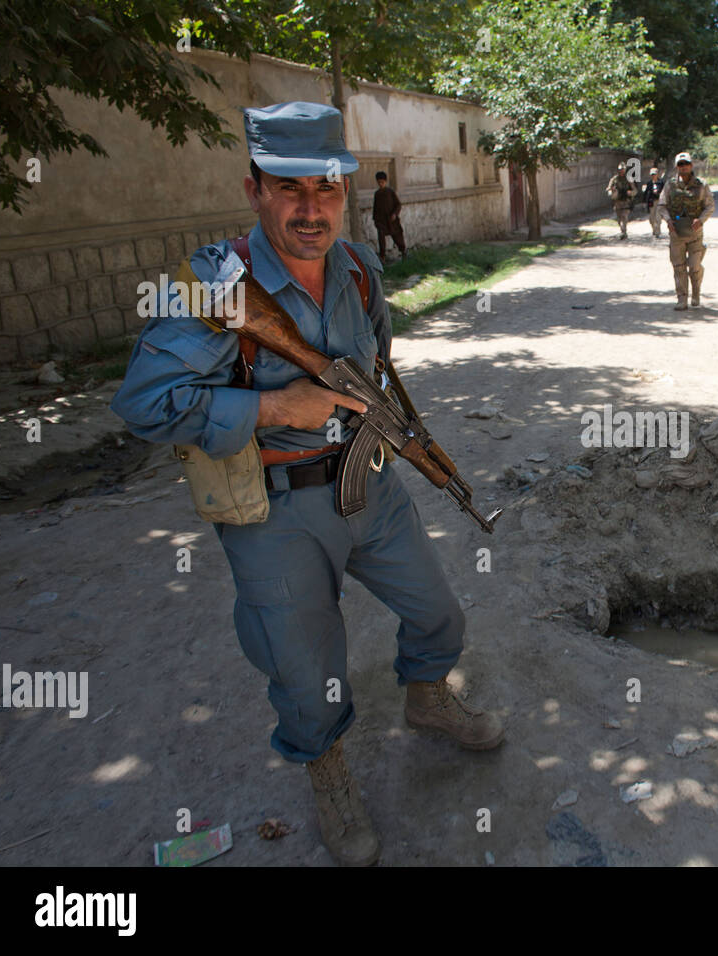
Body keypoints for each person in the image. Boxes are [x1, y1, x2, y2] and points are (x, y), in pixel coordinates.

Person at [110, 101, 504, 867]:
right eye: (289, 188)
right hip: (276, 511)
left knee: (437, 612)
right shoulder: (214, 285)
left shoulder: (359, 267)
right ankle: (327, 770)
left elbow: (379, 364)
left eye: (326, 188)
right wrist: (269, 406)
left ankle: (426, 699)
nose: (310, 207)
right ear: (254, 188)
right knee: (304, 664)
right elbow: (142, 404)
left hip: (372, 490)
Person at [656, 151, 715, 310]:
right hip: (676, 232)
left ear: (691, 165)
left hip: (695, 232)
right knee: (678, 266)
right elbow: (661, 205)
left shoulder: (701, 185)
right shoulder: (670, 185)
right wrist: (668, 220)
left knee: (694, 266)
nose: (683, 167)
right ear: (677, 167)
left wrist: (701, 220)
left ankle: (696, 292)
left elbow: (710, 206)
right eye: (680, 165)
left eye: (686, 164)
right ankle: (682, 298)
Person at [372, 170, 405, 260]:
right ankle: (382, 257)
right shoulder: (377, 194)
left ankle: (403, 252)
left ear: (385, 182)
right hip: (381, 221)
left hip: (391, 220)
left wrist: (394, 214)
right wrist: (375, 220)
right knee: (381, 239)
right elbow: (375, 208)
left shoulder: (390, 192)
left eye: (382, 182)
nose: (381, 184)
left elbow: (398, 204)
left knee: (397, 237)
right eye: (379, 182)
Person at [607, 162, 638, 239]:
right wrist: (612, 191)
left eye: (623, 169)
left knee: (624, 217)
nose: (621, 171)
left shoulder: (629, 179)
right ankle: (622, 230)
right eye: (620, 169)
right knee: (619, 219)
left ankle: (623, 232)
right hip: (617, 202)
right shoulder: (614, 179)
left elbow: (635, 190)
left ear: (625, 170)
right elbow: (608, 189)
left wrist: (630, 193)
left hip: (626, 202)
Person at [643, 167, 665, 239]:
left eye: (654, 174)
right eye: (652, 174)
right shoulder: (649, 183)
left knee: (658, 217)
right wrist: (644, 202)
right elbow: (646, 193)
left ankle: (657, 232)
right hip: (651, 202)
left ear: (657, 174)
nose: (653, 176)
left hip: (659, 201)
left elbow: (664, 192)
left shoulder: (661, 183)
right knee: (651, 218)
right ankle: (654, 229)